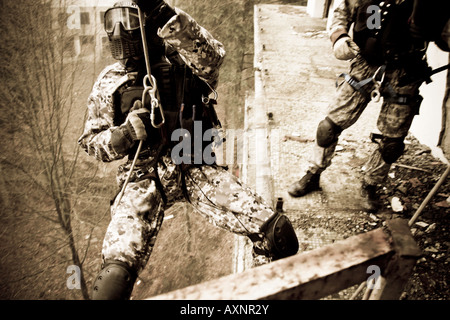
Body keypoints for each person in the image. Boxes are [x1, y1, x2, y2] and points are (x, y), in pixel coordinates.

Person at [78, 0, 299, 300]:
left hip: (195, 165)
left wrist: (163, 13)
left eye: (128, 20)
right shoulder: (109, 83)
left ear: (148, 25)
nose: (118, 31)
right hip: (143, 179)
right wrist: (123, 135)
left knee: (279, 236)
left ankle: (260, 293)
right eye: (111, 21)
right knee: (111, 283)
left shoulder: (186, 61)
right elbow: (91, 141)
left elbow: (212, 56)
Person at [288, 0, 450, 212]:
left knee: (391, 143)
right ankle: (313, 173)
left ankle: (371, 184)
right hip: (364, 66)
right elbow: (342, 11)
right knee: (327, 128)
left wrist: (433, 30)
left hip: (405, 72)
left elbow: (446, 37)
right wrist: (340, 37)